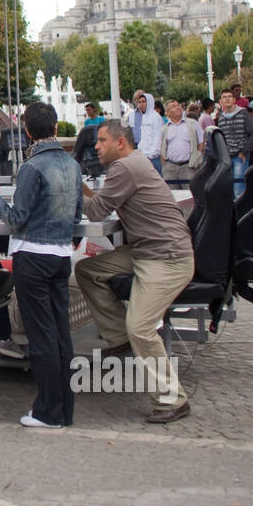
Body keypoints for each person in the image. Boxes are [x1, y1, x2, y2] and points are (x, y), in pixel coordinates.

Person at [75, 120, 194, 424]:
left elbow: (97, 211)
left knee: (140, 326)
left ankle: (172, 399)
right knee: (88, 271)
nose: (97, 146)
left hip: (165, 257)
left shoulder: (124, 167)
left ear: (120, 143)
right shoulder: (134, 163)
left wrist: (73, 184)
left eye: (102, 141)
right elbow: (103, 204)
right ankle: (119, 337)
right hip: (147, 250)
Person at [0, 102, 81, 426]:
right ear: (57, 128)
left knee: (42, 334)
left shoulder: (32, 168)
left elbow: (16, 219)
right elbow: (76, 217)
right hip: (61, 257)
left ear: (28, 132)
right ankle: (65, 409)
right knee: (61, 334)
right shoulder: (72, 166)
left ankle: (48, 411)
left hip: (32, 257)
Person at [214, 89, 253, 198]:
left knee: (239, 189)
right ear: (221, 101)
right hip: (227, 157)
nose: (227, 99)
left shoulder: (243, 113)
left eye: (229, 96)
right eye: (224, 97)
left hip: (240, 156)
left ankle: (240, 212)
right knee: (228, 189)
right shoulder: (221, 118)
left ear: (234, 99)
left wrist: (244, 152)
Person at [159, 100, 202, 185]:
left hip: (188, 166)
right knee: (174, 195)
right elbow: (161, 148)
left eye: (178, 105)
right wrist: (165, 165)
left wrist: (197, 157)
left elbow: (201, 142)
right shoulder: (164, 128)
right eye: (173, 106)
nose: (178, 107)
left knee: (189, 194)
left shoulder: (193, 124)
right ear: (168, 113)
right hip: (170, 168)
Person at [132, 92, 164, 175]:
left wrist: (151, 155)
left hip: (153, 158)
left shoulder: (156, 117)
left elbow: (158, 138)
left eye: (143, 101)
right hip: (144, 157)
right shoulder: (144, 117)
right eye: (139, 102)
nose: (141, 104)